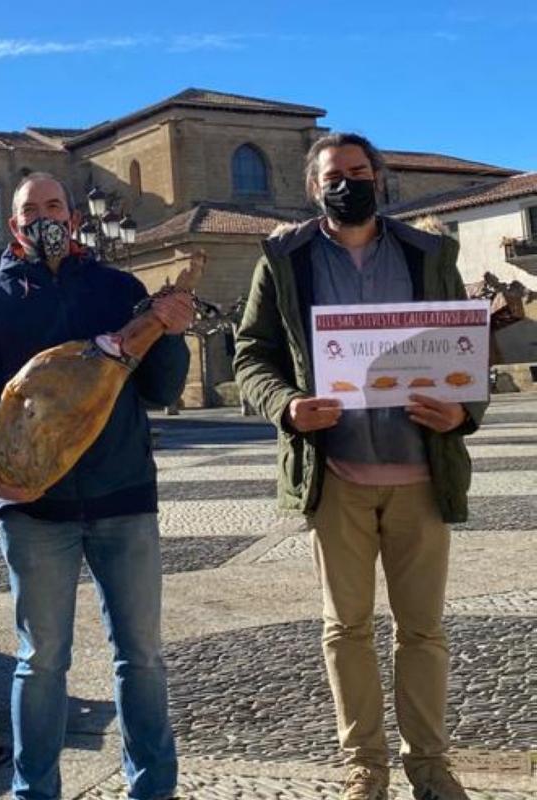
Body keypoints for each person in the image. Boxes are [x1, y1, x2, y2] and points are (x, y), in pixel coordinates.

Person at [233, 133, 486, 800]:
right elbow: (252, 354)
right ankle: (364, 767)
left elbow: (467, 345)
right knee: (344, 629)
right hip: (336, 478)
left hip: (421, 476)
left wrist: (463, 414)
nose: (347, 183)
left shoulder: (427, 254)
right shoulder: (284, 260)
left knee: (423, 630)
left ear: (378, 177)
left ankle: (430, 765)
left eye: (358, 171)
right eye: (332, 175)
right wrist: (286, 406)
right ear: (312, 188)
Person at [0, 172, 192, 800]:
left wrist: (170, 329)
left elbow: (160, 389)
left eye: (54, 207)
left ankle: (154, 787)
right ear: (14, 226)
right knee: (41, 661)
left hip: (123, 498)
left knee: (140, 656)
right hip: (33, 511)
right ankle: (35, 792)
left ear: (75, 216)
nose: (44, 219)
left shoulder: (118, 289)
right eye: (31, 211)